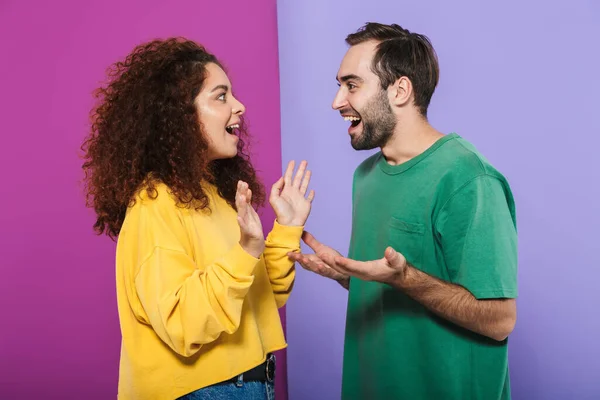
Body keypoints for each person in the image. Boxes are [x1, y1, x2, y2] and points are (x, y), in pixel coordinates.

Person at [288, 22, 518, 400]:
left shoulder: (468, 178)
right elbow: (394, 283)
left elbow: (499, 320)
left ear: (400, 90)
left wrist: (405, 277)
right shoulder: (366, 176)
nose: (336, 101)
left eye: (351, 84)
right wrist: (350, 274)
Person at [81, 37, 314, 400]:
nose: (239, 106)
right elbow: (183, 323)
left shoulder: (212, 192)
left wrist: (286, 229)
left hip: (248, 381)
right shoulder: (154, 203)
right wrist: (245, 250)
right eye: (220, 96)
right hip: (204, 391)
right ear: (180, 115)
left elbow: (259, 299)